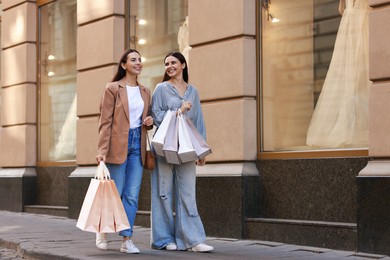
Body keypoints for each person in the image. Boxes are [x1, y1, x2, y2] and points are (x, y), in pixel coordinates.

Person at [150, 51, 214, 252]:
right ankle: (163, 239)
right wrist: (178, 111)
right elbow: (156, 115)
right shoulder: (161, 88)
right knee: (163, 193)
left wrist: (201, 151)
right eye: (166, 63)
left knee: (187, 192)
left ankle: (192, 240)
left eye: (173, 62)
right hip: (165, 147)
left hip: (187, 147)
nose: (169, 66)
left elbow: (198, 121)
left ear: (183, 65)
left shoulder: (193, 91)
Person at [95, 49, 153, 254]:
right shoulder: (112, 88)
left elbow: (146, 118)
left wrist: (149, 121)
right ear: (123, 65)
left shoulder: (145, 91)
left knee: (131, 195)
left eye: (140, 60)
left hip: (138, 144)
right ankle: (102, 230)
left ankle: (126, 239)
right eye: (133, 60)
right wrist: (102, 149)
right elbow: (105, 121)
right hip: (118, 144)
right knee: (114, 193)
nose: (138, 63)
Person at [306, 0, 370, 147]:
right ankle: (356, 125)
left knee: (353, 78)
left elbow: (341, 9)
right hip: (359, 28)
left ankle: (355, 125)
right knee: (357, 77)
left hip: (352, 29)